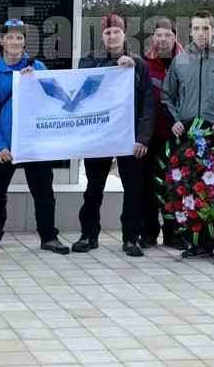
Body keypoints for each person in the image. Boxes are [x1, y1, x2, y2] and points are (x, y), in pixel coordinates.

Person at [161, 10, 214, 261]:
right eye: (196, 28)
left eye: (205, 28)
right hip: (188, 134)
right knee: (189, 189)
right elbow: (167, 96)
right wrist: (174, 121)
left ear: (213, 30)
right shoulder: (180, 61)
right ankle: (196, 242)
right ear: (190, 31)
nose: (201, 33)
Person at [0, 19, 69, 255]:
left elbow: (56, 97)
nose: (15, 41)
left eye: (19, 37)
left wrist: (36, 81)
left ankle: (49, 236)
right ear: (1, 41)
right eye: (10, 37)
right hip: (7, 145)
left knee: (44, 191)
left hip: (34, 143)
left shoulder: (38, 67)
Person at [72, 14, 155, 257]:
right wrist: (113, 66)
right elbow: (83, 86)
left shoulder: (138, 64)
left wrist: (143, 138)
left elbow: (148, 103)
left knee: (133, 189)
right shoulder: (89, 61)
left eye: (116, 32)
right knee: (93, 188)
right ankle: (88, 234)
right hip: (99, 136)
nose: (111, 36)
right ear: (102, 36)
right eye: (107, 32)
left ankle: (131, 238)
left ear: (124, 34)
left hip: (128, 137)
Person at [142, 17, 186, 249]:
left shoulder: (187, 63)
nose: (162, 39)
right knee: (150, 185)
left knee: (175, 185)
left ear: (175, 37)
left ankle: (174, 233)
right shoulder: (145, 64)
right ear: (153, 38)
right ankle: (149, 232)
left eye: (167, 35)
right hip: (151, 135)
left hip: (178, 135)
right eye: (158, 35)